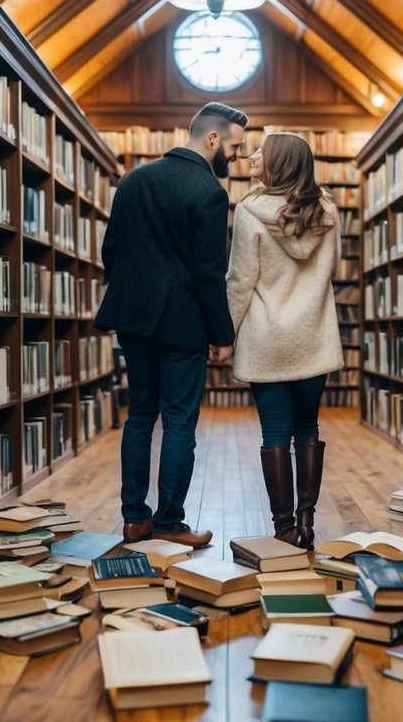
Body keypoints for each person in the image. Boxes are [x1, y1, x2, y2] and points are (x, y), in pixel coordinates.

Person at [95, 101, 249, 548]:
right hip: (182, 324)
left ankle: (133, 519)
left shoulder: (134, 179)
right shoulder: (208, 192)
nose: (236, 157)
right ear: (213, 138)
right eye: (235, 147)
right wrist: (223, 334)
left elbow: (112, 250)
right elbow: (208, 274)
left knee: (140, 414)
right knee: (180, 421)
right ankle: (169, 524)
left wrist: (133, 294)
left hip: (134, 319)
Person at [225, 132, 342, 549]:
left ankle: (284, 529)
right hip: (312, 333)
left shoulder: (250, 210)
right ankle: (308, 524)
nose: (253, 156)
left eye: (262, 151)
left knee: (274, 431)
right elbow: (332, 268)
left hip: (266, 336)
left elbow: (241, 280)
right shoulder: (327, 210)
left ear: (279, 163)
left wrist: (227, 333)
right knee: (307, 426)